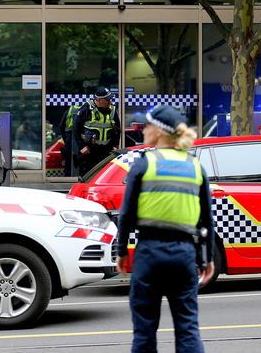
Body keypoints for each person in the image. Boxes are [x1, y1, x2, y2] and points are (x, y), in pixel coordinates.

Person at [115, 105, 216, 353]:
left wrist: (122, 251)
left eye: (147, 126)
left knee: (144, 332)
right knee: (188, 328)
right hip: (183, 256)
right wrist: (207, 258)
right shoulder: (195, 167)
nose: (143, 130)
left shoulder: (143, 164)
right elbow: (207, 220)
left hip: (149, 254)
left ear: (159, 132)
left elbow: (126, 213)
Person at [72, 86, 121, 176]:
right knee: (87, 176)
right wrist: (81, 147)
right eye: (107, 99)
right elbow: (75, 129)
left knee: (103, 176)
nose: (109, 101)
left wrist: (115, 145)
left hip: (106, 151)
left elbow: (117, 130)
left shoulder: (112, 110)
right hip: (89, 150)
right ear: (98, 100)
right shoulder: (86, 109)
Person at [58, 104, 82, 176]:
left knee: (69, 160)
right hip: (80, 137)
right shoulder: (86, 109)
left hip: (69, 137)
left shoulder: (70, 110)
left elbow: (61, 126)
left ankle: (68, 176)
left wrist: (66, 139)